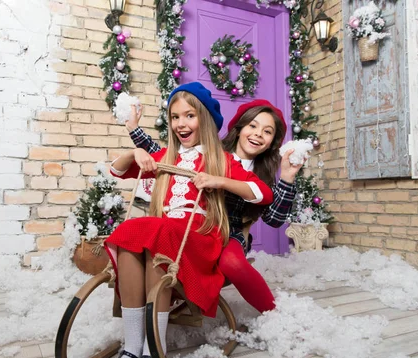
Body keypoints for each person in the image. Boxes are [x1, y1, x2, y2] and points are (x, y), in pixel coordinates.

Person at [92, 82, 274, 358]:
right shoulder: (168, 157)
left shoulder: (223, 161)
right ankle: (133, 348)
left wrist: (220, 180)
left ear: (204, 118)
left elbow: (263, 194)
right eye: (175, 117)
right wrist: (134, 153)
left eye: (189, 115)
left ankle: (154, 351)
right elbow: (117, 171)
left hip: (200, 238)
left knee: (157, 230)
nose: (181, 124)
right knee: (131, 232)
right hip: (169, 237)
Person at [126, 99, 303, 314]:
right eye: (252, 126)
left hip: (230, 233)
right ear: (239, 129)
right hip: (195, 226)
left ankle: (273, 313)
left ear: (272, 141)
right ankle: (153, 303)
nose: (257, 134)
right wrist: (134, 131)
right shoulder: (213, 152)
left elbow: (274, 220)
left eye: (267, 132)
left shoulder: (262, 176)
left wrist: (286, 177)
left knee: (231, 263)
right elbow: (168, 158)